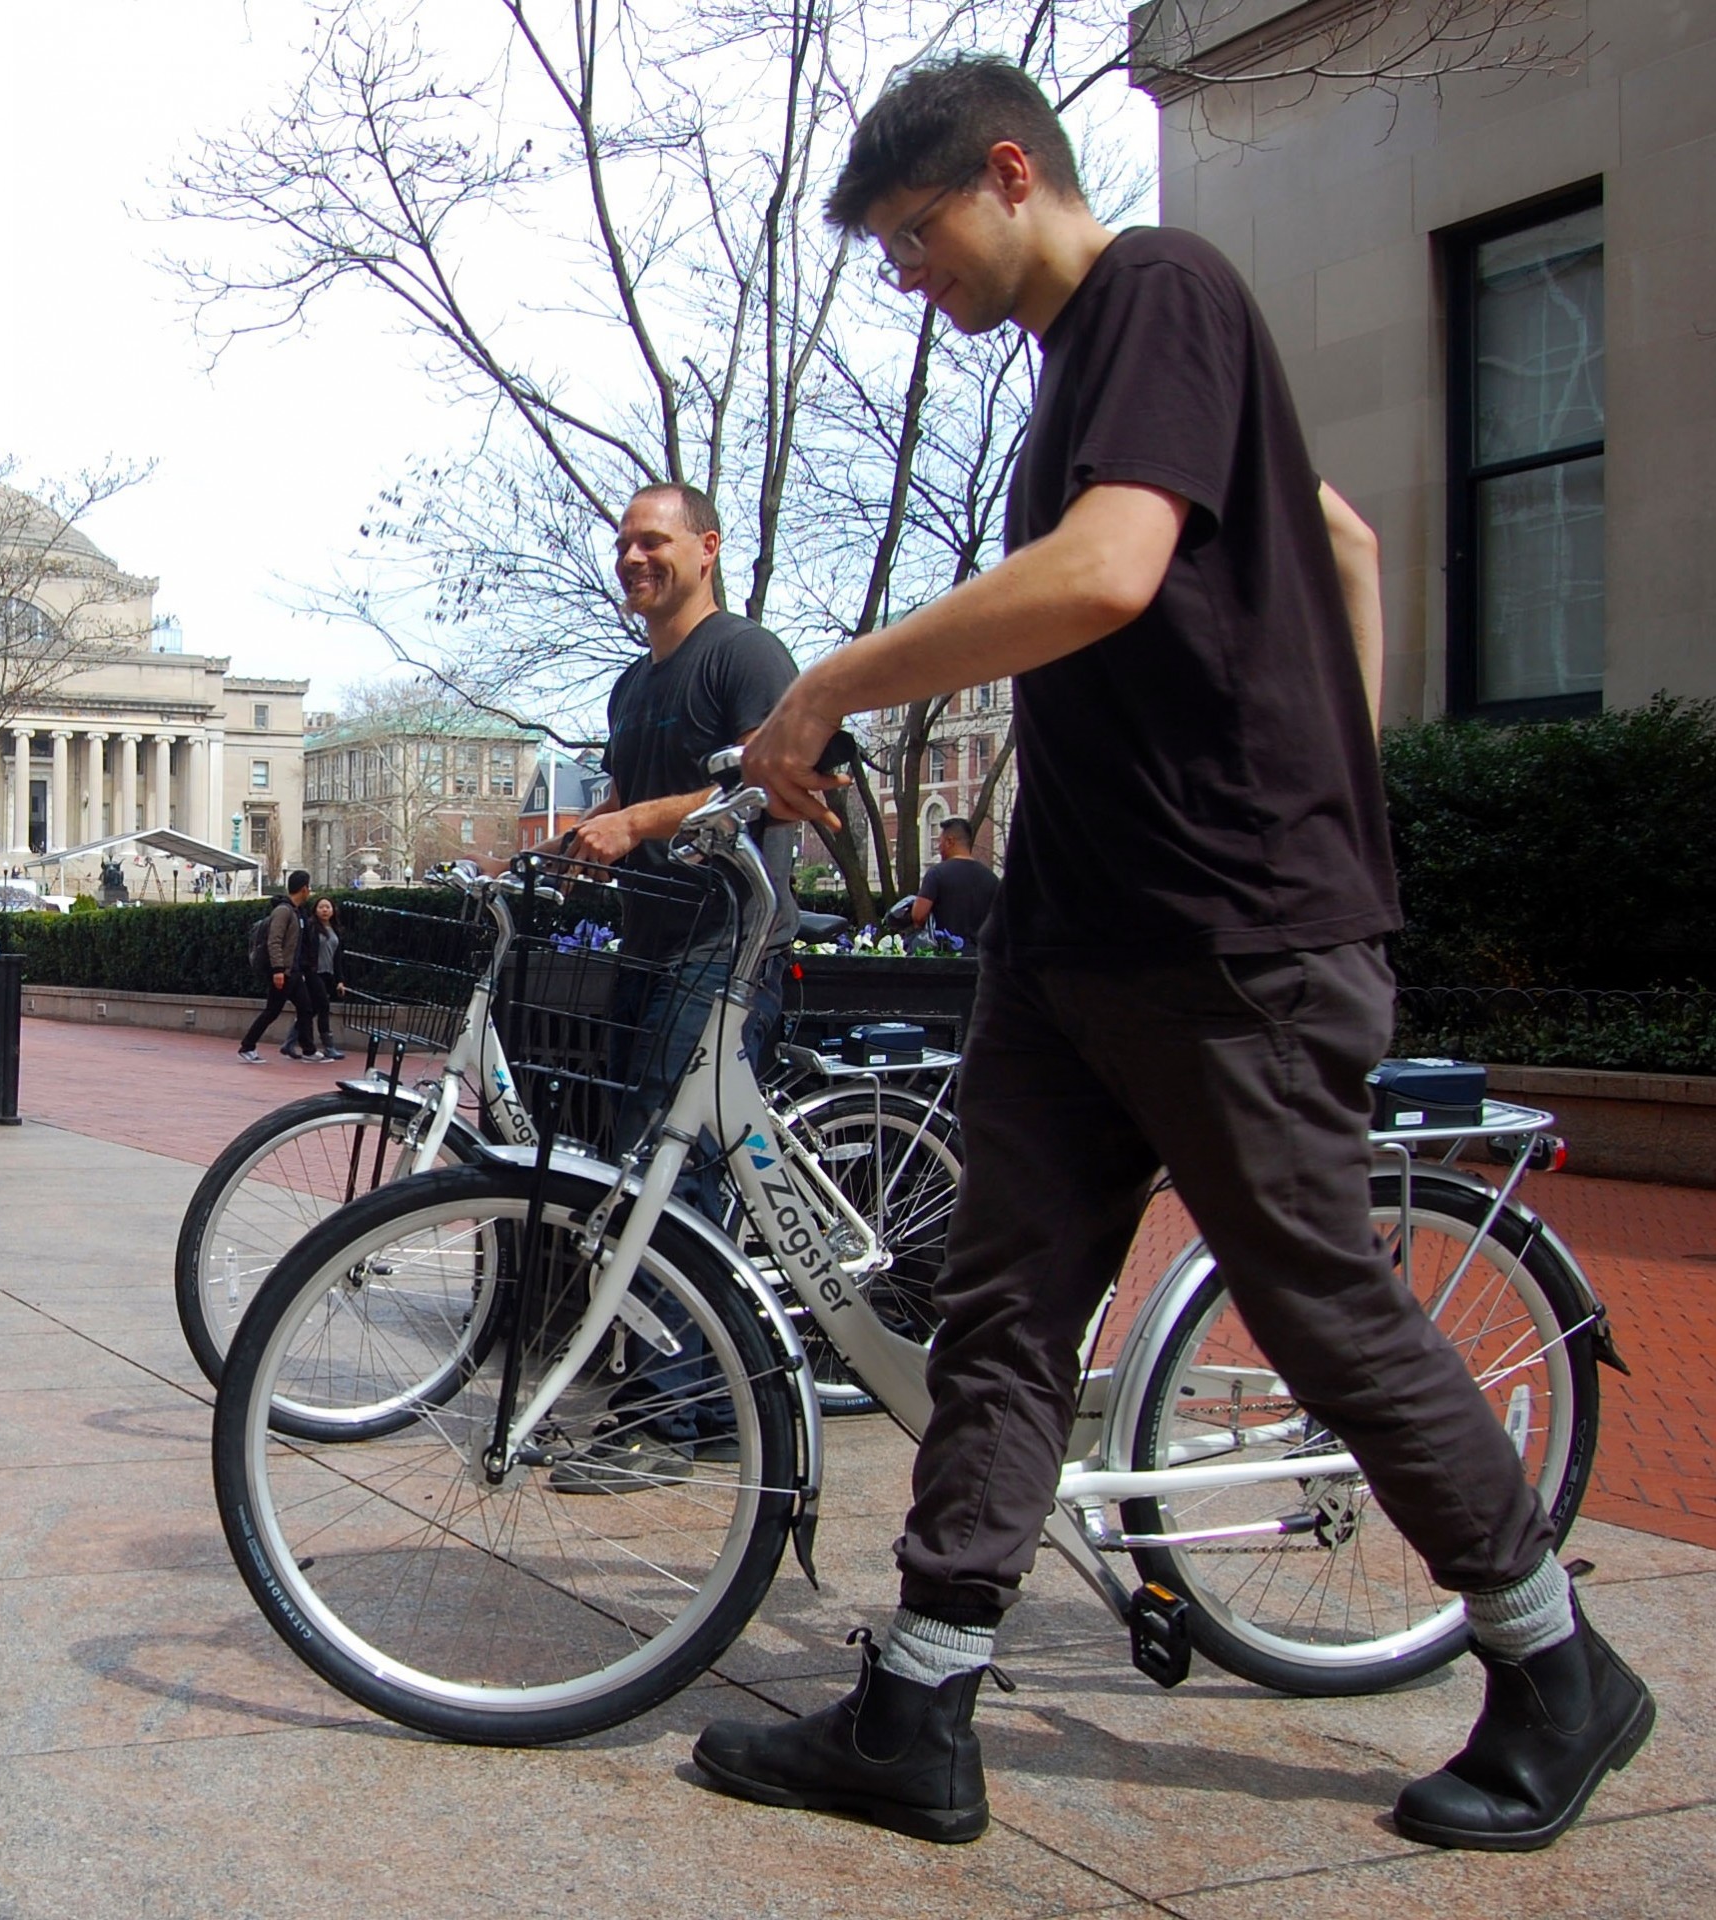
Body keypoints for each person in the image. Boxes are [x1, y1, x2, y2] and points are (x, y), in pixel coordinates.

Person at [693, 56, 1651, 1852]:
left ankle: (1554, 1668)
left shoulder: (1159, 290)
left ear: (1007, 172)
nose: (913, 280)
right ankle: (920, 1698)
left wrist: (827, 682)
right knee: (1001, 1310)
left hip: (1225, 934)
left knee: (1317, 1303)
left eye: (916, 238)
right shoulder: (1089, 368)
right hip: (1082, 935)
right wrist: (1336, 768)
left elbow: (1111, 570)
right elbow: (1342, 538)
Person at [541, 480, 799, 1493]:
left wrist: (640, 822)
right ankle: (716, 1409)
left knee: (670, 1175)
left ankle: (661, 1422)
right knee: (649, 1170)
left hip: (728, 948)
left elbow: (773, 777)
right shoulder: (632, 685)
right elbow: (626, 791)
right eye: (624, 544)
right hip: (647, 951)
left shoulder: (744, 655)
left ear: (707, 547)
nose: (634, 558)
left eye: (654, 541)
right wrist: (591, 833)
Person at [237, 872, 321, 1065]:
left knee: (306, 1008)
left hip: (293, 971)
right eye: (309, 887)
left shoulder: (297, 911)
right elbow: (274, 941)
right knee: (272, 1011)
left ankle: (308, 1049)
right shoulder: (284, 911)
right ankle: (247, 1046)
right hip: (283, 971)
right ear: (304, 889)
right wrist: (278, 970)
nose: (310, 892)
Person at [911, 817, 1000, 948]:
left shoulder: (936, 874)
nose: (939, 847)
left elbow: (918, 916)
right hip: (980, 958)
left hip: (946, 956)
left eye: (940, 842)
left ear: (950, 841)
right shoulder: (991, 878)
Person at [308, 896, 349, 1062]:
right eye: (321, 907)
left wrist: (340, 980)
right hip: (313, 973)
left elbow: (337, 957)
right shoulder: (311, 928)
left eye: (328, 907)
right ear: (315, 910)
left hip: (329, 974)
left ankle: (290, 1041)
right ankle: (329, 1046)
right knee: (324, 1006)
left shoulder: (335, 930)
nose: (325, 910)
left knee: (312, 1010)